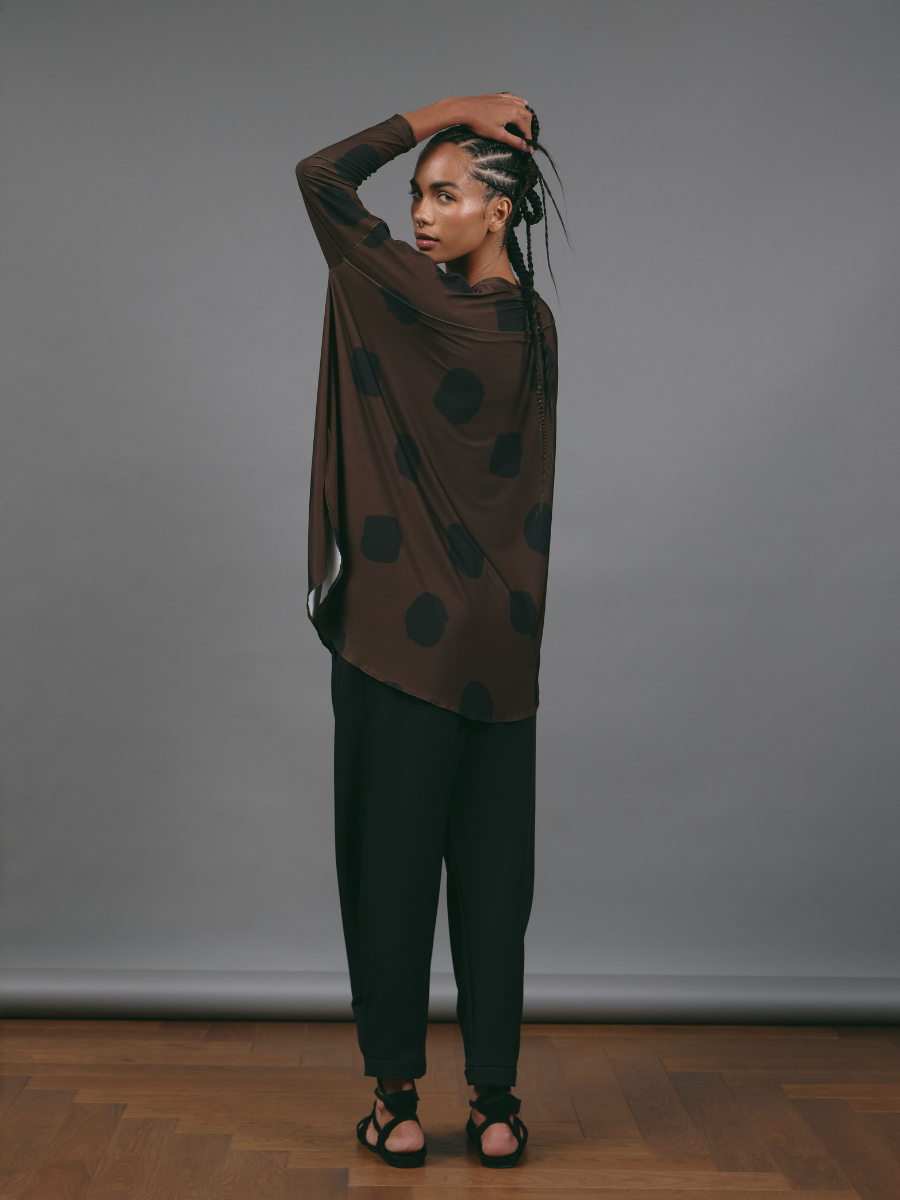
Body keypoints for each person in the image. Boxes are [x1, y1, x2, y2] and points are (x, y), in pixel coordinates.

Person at [295, 93, 564, 1169]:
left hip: (399, 646)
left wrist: (449, 108)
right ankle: (496, 1110)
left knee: (390, 874)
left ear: (497, 211)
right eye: (416, 194)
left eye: (445, 194)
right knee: (496, 886)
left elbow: (320, 178)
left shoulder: (402, 296)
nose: (417, 212)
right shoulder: (536, 329)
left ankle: (398, 1106)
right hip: (504, 648)